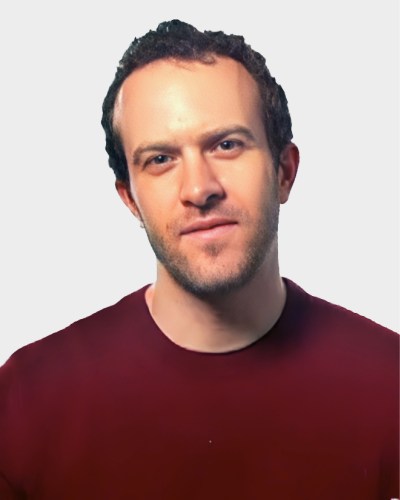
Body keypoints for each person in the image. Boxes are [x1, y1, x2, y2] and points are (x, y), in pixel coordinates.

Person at [0, 19, 398, 500]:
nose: (198, 188)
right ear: (129, 198)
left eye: (227, 145)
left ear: (284, 172)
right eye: (160, 160)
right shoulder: (26, 402)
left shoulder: (389, 386)